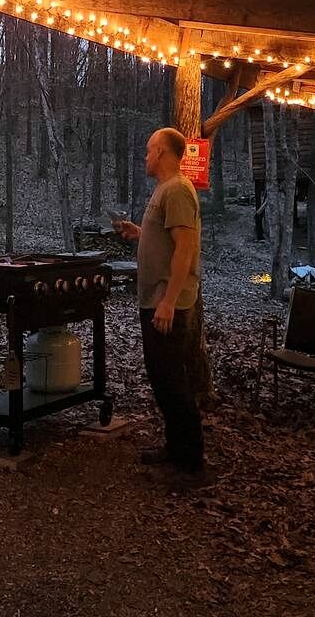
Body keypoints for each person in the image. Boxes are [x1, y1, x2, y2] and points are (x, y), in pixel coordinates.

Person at [113, 127, 205, 475]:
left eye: (150, 150)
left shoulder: (179, 189)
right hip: (154, 299)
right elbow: (167, 237)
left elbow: (186, 249)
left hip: (168, 304)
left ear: (164, 152)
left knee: (171, 380)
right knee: (162, 377)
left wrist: (168, 302)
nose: (145, 156)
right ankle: (176, 447)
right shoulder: (164, 190)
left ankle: (190, 459)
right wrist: (140, 232)